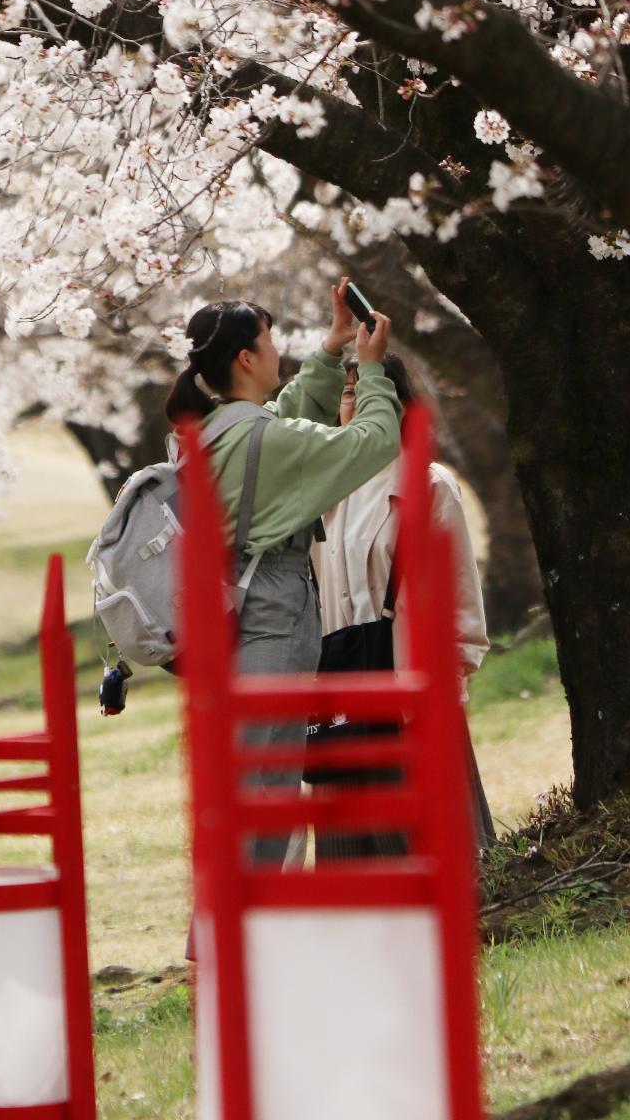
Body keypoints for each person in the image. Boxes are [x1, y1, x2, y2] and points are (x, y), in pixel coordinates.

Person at [166, 280, 401, 864]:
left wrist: (330, 352)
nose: (278, 351)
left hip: (230, 608)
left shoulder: (213, 430)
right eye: (270, 341)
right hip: (270, 609)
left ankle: (228, 937)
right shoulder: (260, 436)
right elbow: (374, 441)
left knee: (247, 777)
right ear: (246, 357)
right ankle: (240, 938)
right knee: (264, 781)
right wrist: (370, 371)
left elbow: (276, 427)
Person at [312, 355, 495, 857]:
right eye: (344, 393)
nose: (349, 402)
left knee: (431, 844)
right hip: (340, 691)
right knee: (348, 850)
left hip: (410, 686)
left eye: (361, 390)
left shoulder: (429, 485)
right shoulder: (324, 488)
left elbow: (459, 596)